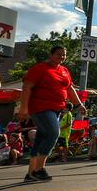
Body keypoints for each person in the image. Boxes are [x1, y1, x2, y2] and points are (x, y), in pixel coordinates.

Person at [19, 46, 86, 182]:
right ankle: (39, 169)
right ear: (50, 55)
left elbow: (70, 89)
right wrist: (23, 109)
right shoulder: (40, 68)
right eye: (58, 54)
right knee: (53, 133)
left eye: (64, 55)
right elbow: (27, 87)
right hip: (40, 108)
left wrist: (79, 104)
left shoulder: (64, 71)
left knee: (41, 137)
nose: (61, 57)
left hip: (56, 109)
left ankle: (31, 172)